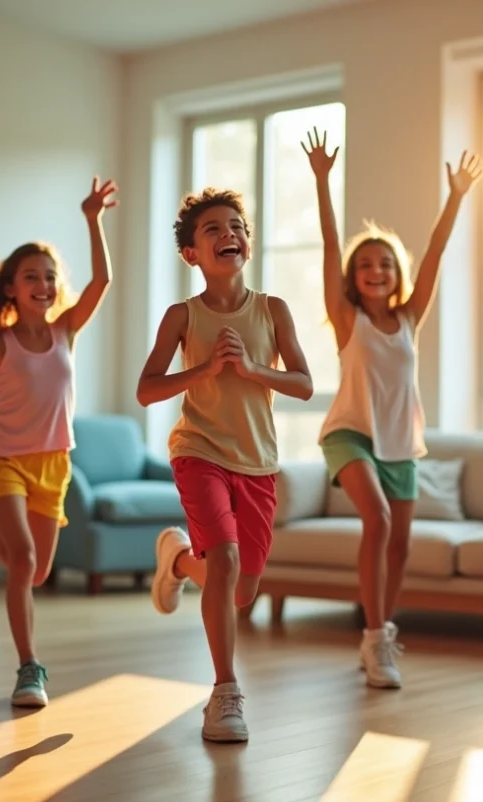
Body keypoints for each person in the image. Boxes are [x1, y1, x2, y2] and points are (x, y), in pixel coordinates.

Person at [302, 129, 483, 689]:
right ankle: (376, 641)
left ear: (395, 273)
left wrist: (455, 197)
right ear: (354, 280)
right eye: (366, 267)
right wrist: (322, 182)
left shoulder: (408, 319)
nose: (375, 271)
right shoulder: (346, 318)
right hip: (350, 433)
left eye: (384, 264)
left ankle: (379, 628)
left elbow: (434, 254)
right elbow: (332, 245)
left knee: (399, 546)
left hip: (401, 441)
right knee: (377, 520)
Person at [0, 178, 118, 707]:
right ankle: (29, 669)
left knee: (33, 572)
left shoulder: (65, 332)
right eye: (31, 276)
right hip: (3, 461)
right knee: (25, 560)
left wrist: (92, 218)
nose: (44, 283)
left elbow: (102, 279)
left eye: (50, 277)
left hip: (53, 464)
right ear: (11, 288)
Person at [138, 188, 313, 742]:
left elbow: (305, 385)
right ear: (191, 253)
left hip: (258, 462)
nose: (227, 234)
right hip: (200, 451)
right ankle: (224, 694)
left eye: (235, 226)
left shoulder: (272, 309)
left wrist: (254, 367)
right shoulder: (181, 316)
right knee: (230, 558)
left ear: (247, 243)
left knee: (239, 589)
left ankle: (179, 562)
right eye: (211, 229)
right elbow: (147, 390)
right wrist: (206, 369)